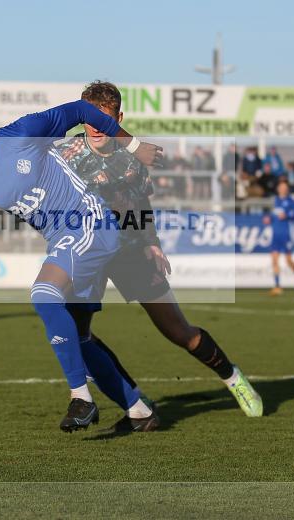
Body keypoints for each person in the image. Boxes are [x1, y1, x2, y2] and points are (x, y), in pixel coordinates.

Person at [0, 94, 163, 432]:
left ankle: (82, 399)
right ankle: (139, 412)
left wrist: (130, 146)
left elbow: (80, 109)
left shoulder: (24, 133)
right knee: (78, 336)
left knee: (44, 294)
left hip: (92, 222)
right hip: (64, 240)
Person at [55, 81, 263, 430]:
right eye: (88, 117)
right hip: (88, 253)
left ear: (119, 117)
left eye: (103, 118)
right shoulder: (66, 154)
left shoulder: (134, 160)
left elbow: (142, 202)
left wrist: (152, 242)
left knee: (178, 330)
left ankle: (232, 378)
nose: (94, 125)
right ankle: (136, 405)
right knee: (77, 333)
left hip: (132, 251)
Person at [264, 180, 294, 296]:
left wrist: (287, 215)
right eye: (281, 187)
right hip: (275, 235)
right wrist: (269, 218)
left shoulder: (291, 201)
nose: (282, 189)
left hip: (286, 234)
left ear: (287, 189)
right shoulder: (275, 201)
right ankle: (277, 286)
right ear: (278, 188)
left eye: (284, 187)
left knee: (288, 261)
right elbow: (273, 215)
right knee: (274, 260)